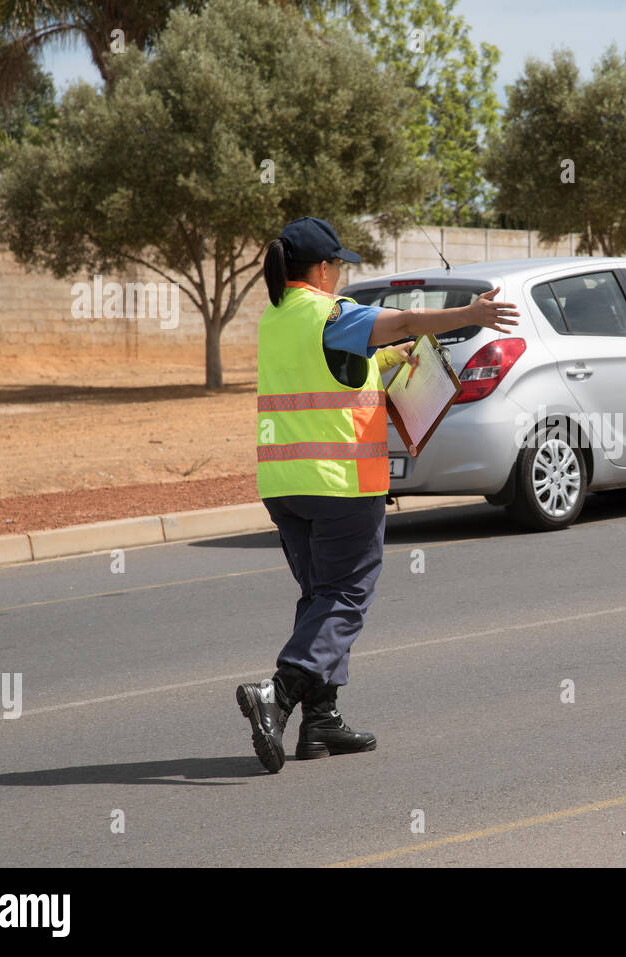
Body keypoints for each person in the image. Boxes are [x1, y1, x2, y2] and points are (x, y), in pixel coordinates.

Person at [236, 216, 519, 773]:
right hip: (341, 486)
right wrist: (471, 315)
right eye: (338, 265)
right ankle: (279, 692)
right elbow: (407, 318)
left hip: (284, 486)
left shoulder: (276, 317)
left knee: (320, 598)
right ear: (322, 269)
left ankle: (321, 722)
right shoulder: (332, 313)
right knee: (345, 598)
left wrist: (394, 358)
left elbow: (338, 369)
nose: (340, 275)